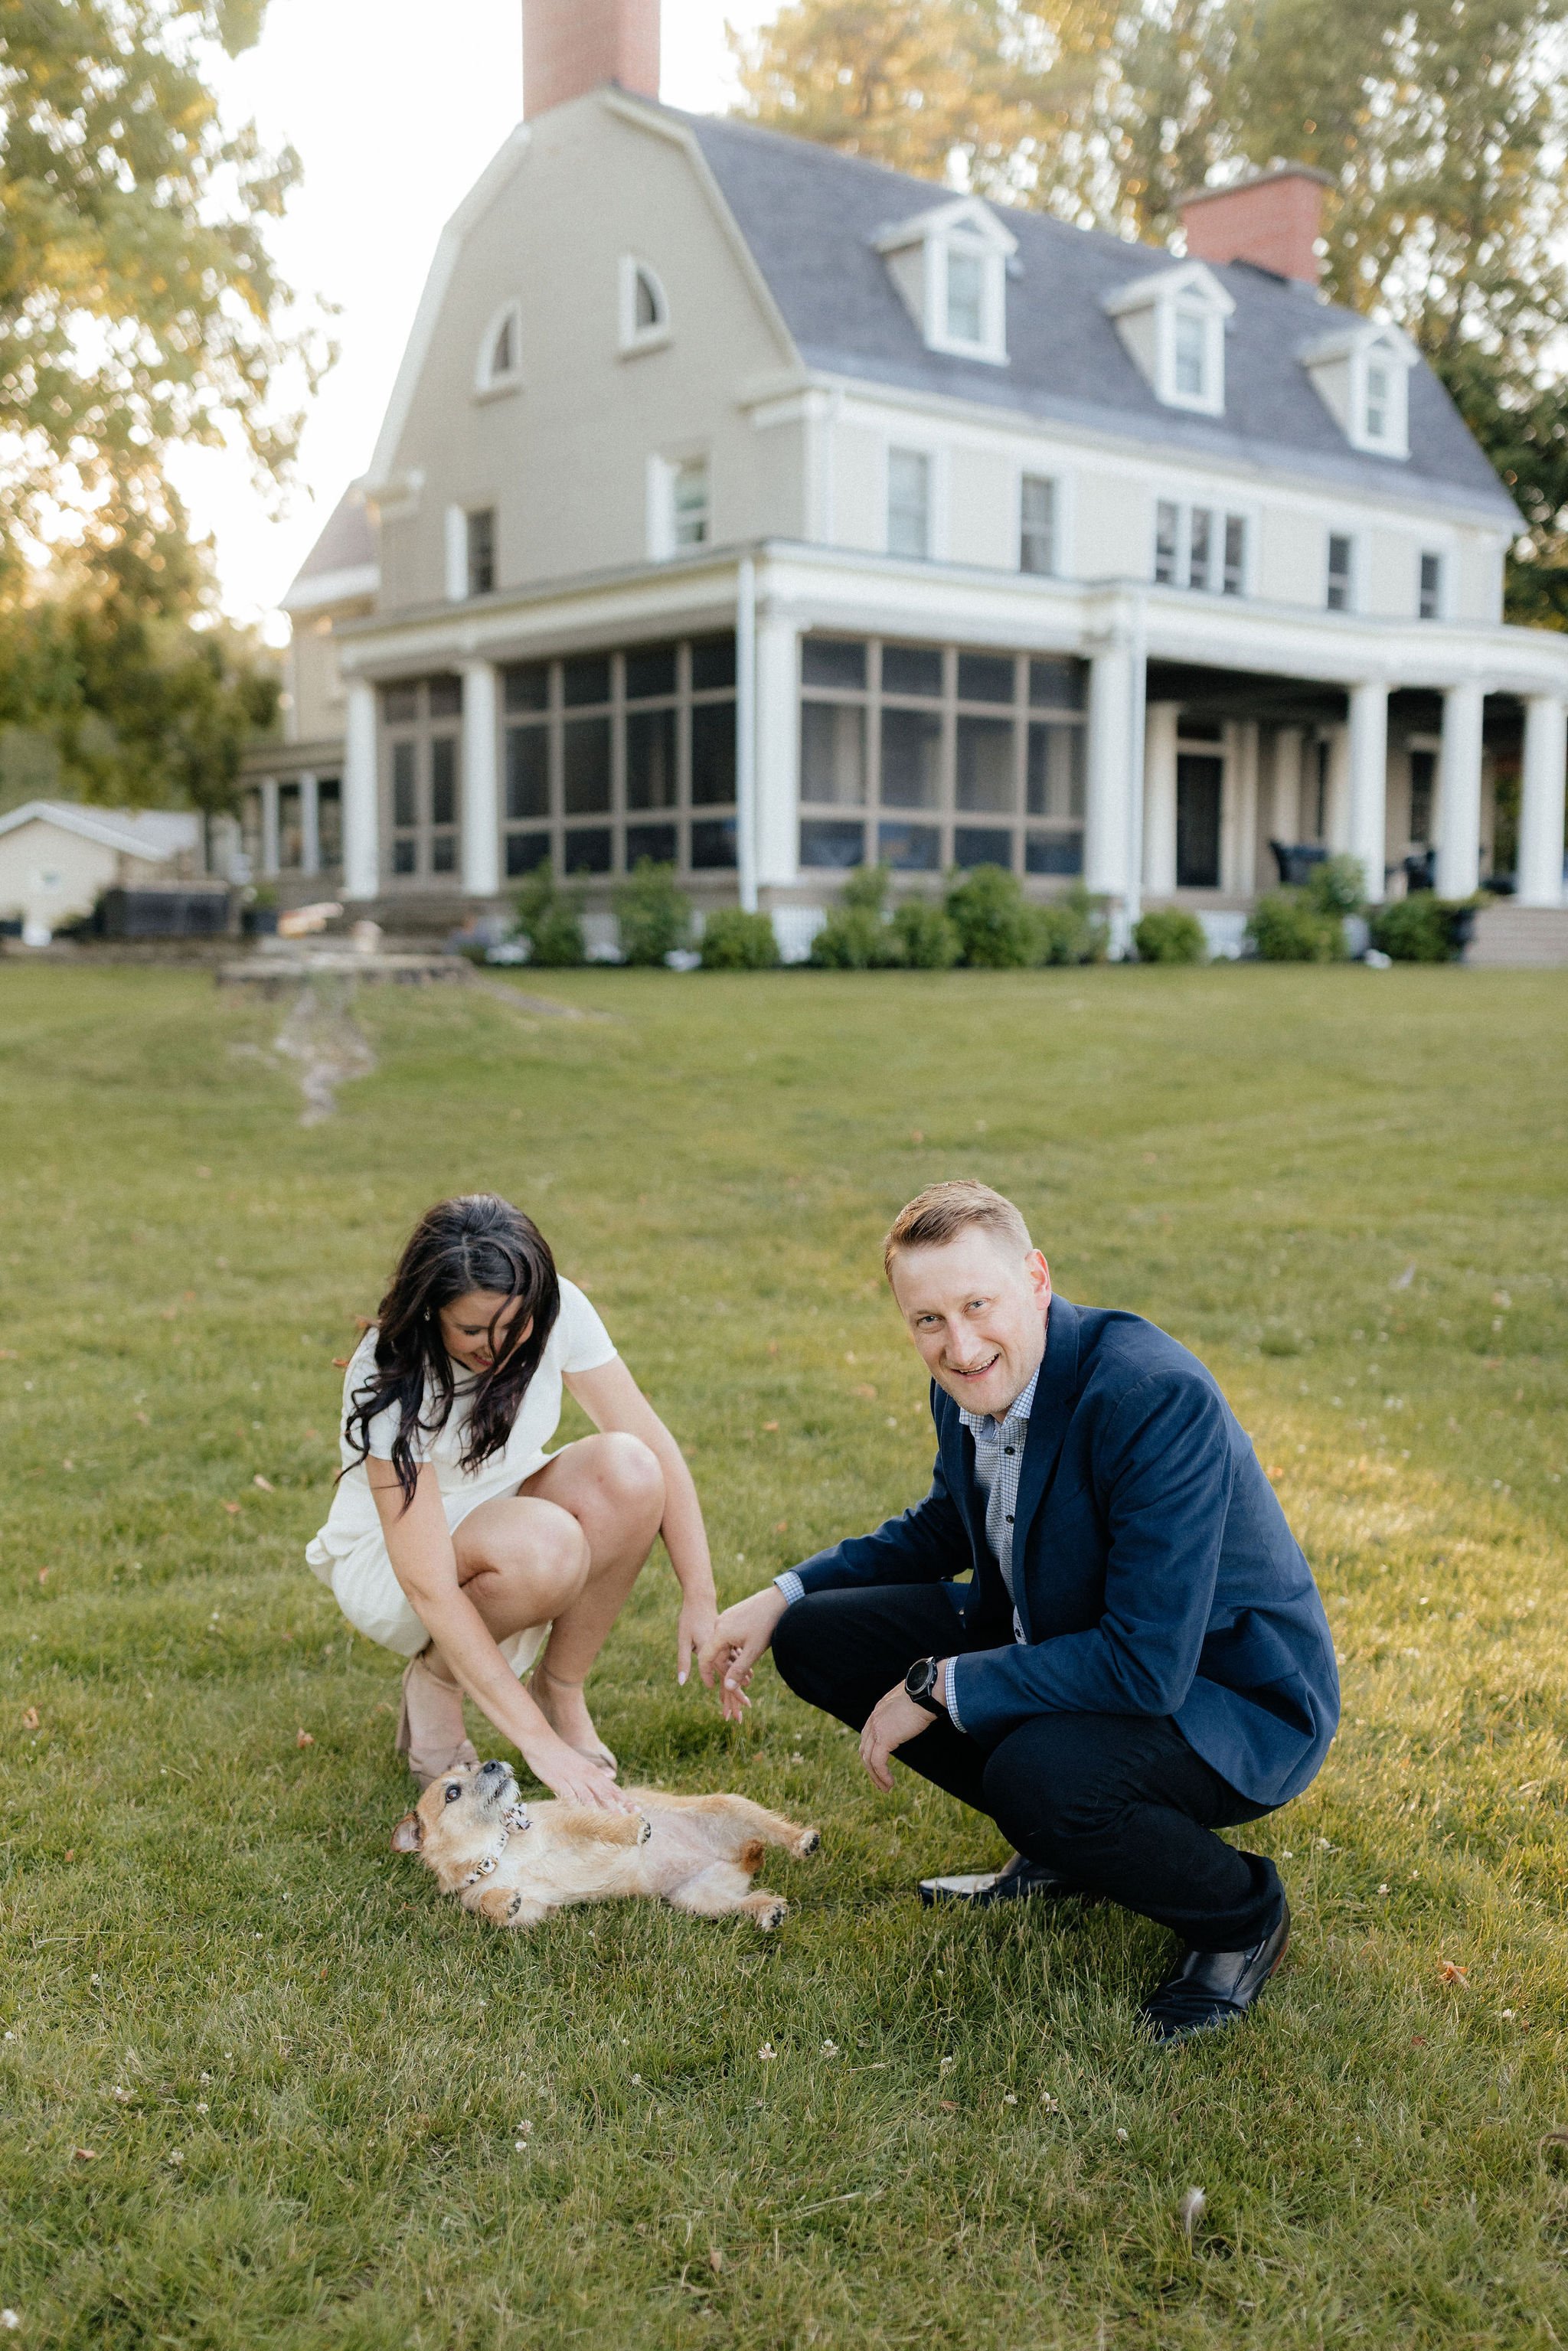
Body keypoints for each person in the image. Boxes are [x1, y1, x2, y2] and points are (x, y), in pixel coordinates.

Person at [701, 1180, 1339, 2040]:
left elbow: (1146, 1665)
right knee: (818, 1636)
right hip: (1076, 1635)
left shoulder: (1148, 1396)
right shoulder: (970, 1381)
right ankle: (1067, 1845)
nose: (958, 1344)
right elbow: (942, 1524)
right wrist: (781, 1593)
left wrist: (938, 1683)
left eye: (977, 1303)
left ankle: (1236, 1917)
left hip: (1224, 1694)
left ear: (1035, 1279)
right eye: (927, 1319)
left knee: (1035, 1774)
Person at [306, 1193, 717, 1806]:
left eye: (513, 1326)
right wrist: (535, 1746)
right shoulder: (390, 1374)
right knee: (547, 1545)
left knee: (631, 1468)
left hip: (506, 1504)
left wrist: (700, 1593)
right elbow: (428, 1584)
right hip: (394, 1561)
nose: (496, 1347)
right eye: (471, 1329)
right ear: (430, 1311)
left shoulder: (558, 1308)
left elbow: (654, 1443)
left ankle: (561, 1686)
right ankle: (437, 1685)